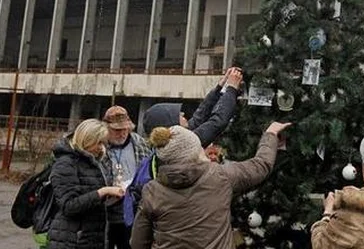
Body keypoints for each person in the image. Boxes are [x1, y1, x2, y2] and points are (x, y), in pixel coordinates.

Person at [129, 121, 291, 249]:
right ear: (194, 152)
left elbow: (138, 242)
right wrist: (270, 134)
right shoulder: (219, 176)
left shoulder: (152, 190)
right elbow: (260, 166)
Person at [123, 67, 244, 227]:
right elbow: (218, 122)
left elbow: (199, 117)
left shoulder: (168, 145)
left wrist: (219, 88)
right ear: (170, 125)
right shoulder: (183, 148)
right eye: (178, 115)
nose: (184, 115)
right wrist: (232, 90)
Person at [47, 119, 126, 249]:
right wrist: (103, 192)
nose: (101, 147)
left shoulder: (96, 162)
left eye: (103, 143)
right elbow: (68, 206)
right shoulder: (65, 163)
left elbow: (93, 199)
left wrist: (113, 196)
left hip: (93, 238)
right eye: (98, 142)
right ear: (87, 139)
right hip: (72, 240)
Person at [101, 106, 151, 249]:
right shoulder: (99, 145)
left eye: (125, 129)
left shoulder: (140, 143)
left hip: (133, 213)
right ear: (106, 129)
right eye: (116, 130)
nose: (122, 133)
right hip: (106, 214)